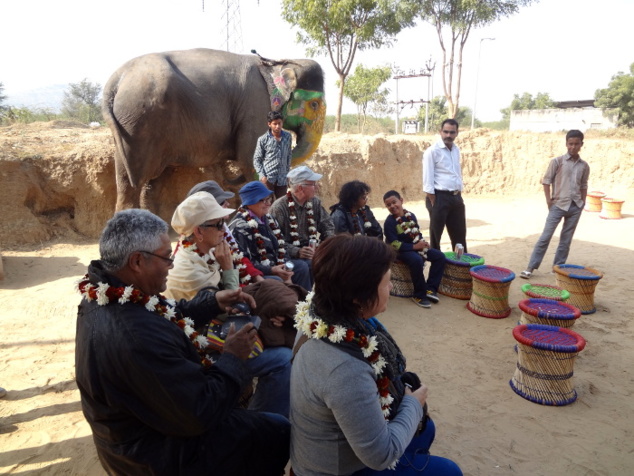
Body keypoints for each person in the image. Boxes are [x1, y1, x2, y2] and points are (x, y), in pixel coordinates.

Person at [75, 209, 289, 475]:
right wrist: (233, 358)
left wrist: (213, 301)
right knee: (278, 431)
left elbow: (163, 311)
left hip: (148, 433)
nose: (171, 265)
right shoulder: (134, 335)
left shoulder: (110, 294)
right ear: (137, 261)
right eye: (166, 258)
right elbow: (199, 413)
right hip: (159, 455)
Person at [290, 235, 462, 476]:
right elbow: (380, 455)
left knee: (427, 429)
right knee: (448, 472)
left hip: (332, 450)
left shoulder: (320, 310)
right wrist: (413, 403)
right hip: (334, 470)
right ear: (358, 298)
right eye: (387, 282)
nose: (391, 287)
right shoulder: (343, 369)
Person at [520, 130, 590, 279]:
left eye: (576, 144)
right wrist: (549, 201)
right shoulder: (557, 162)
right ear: (566, 144)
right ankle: (530, 267)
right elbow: (546, 181)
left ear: (581, 145)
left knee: (566, 239)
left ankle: (557, 268)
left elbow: (584, 185)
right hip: (558, 205)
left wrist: (582, 203)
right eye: (570, 144)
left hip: (575, 206)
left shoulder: (584, 166)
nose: (573, 147)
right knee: (545, 237)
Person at [230, 180, 313, 290]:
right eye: (263, 200)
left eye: (269, 199)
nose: (268, 203)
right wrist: (271, 270)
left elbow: (281, 246)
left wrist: (286, 266)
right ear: (250, 203)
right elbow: (244, 262)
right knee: (278, 279)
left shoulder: (269, 219)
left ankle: (304, 302)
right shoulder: (240, 226)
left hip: (277, 264)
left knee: (305, 265)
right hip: (259, 273)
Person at [186, 179, 265, 286]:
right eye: (223, 202)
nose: (228, 203)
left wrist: (257, 277)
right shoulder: (193, 243)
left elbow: (237, 256)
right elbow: (220, 290)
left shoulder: (221, 227)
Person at [269, 165, 335, 281]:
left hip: (311, 251)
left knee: (334, 259)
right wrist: (297, 251)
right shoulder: (279, 207)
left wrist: (325, 245)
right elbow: (275, 240)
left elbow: (327, 225)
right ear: (300, 188)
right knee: (304, 266)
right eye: (313, 184)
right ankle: (304, 298)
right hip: (287, 255)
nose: (317, 187)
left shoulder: (315, 203)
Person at [383, 190, 446, 309]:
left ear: (401, 201)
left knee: (439, 256)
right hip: (399, 251)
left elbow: (416, 233)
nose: (392, 206)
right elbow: (394, 244)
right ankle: (419, 294)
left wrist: (422, 243)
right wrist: (414, 247)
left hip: (414, 247)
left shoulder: (410, 216)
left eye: (394, 202)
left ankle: (430, 289)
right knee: (416, 260)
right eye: (388, 205)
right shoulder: (389, 222)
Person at [422, 118, 467, 252]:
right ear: (440, 132)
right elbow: (427, 177)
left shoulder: (455, 150)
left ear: (457, 133)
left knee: (460, 235)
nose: (448, 135)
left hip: (456, 197)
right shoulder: (432, 151)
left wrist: (458, 192)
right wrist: (433, 200)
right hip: (439, 197)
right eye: (446, 132)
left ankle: (460, 267)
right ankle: (437, 267)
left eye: (452, 132)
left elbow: (455, 173)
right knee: (436, 235)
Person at [253, 110, 292, 199]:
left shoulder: (288, 137)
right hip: (268, 179)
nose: (278, 126)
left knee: (281, 204)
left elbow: (289, 155)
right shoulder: (263, 140)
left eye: (280, 123)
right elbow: (257, 159)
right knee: (267, 204)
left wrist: (288, 173)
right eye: (275, 124)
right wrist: (262, 176)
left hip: (282, 179)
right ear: (269, 124)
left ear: (282, 123)